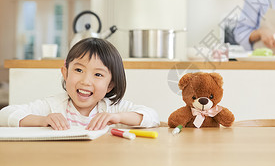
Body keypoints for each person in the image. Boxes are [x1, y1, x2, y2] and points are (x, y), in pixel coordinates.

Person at [0, 38, 159, 130]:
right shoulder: (53, 106)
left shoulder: (112, 108)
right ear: (65, 72)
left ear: (110, 85)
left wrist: (118, 117)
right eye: (78, 70)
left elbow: (153, 117)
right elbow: (4, 115)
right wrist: (42, 120)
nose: (85, 81)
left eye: (98, 74)